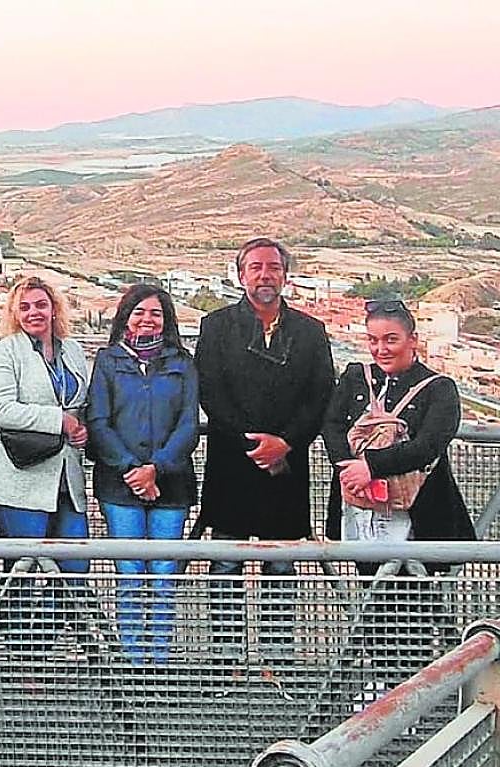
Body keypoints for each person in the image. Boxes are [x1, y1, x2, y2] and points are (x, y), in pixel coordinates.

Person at [193, 237, 334, 674]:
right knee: (225, 566)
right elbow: (210, 392)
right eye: (255, 267)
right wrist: (253, 445)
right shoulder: (216, 326)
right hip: (232, 465)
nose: (264, 275)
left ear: (285, 275)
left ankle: (278, 663)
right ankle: (226, 662)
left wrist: (286, 443)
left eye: (273, 267)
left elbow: (321, 396)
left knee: (280, 567)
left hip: (286, 468)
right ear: (241, 275)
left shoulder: (311, 332)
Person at [322, 298, 474, 692]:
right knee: (373, 599)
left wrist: (370, 466)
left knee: (416, 606)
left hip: (419, 517)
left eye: (391, 339)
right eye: (373, 340)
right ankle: (382, 687)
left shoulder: (440, 389)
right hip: (363, 511)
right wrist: (347, 468)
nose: (381, 349)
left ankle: (413, 692)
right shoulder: (356, 377)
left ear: (413, 340)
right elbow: (333, 425)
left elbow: (429, 444)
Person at [0, 276, 90, 659]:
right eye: (24, 307)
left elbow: (80, 403)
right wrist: (59, 420)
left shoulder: (72, 351)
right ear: (14, 313)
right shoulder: (3, 352)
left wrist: (80, 429)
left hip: (65, 476)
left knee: (75, 566)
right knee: (22, 572)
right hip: (18, 478)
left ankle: (40, 641)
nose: (33, 313)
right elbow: (3, 409)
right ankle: (23, 656)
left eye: (40, 305)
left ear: (54, 308)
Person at [86, 284, 198, 667]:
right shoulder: (107, 360)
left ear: (166, 321)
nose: (146, 319)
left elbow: (188, 424)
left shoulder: (182, 363)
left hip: (172, 482)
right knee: (131, 571)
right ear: (125, 317)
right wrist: (132, 469)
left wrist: (157, 468)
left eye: (155, 313)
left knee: (164, 572)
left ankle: (159, 660)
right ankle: (135, 660)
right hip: (120, 484)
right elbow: (98, 421)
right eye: (139, 312)